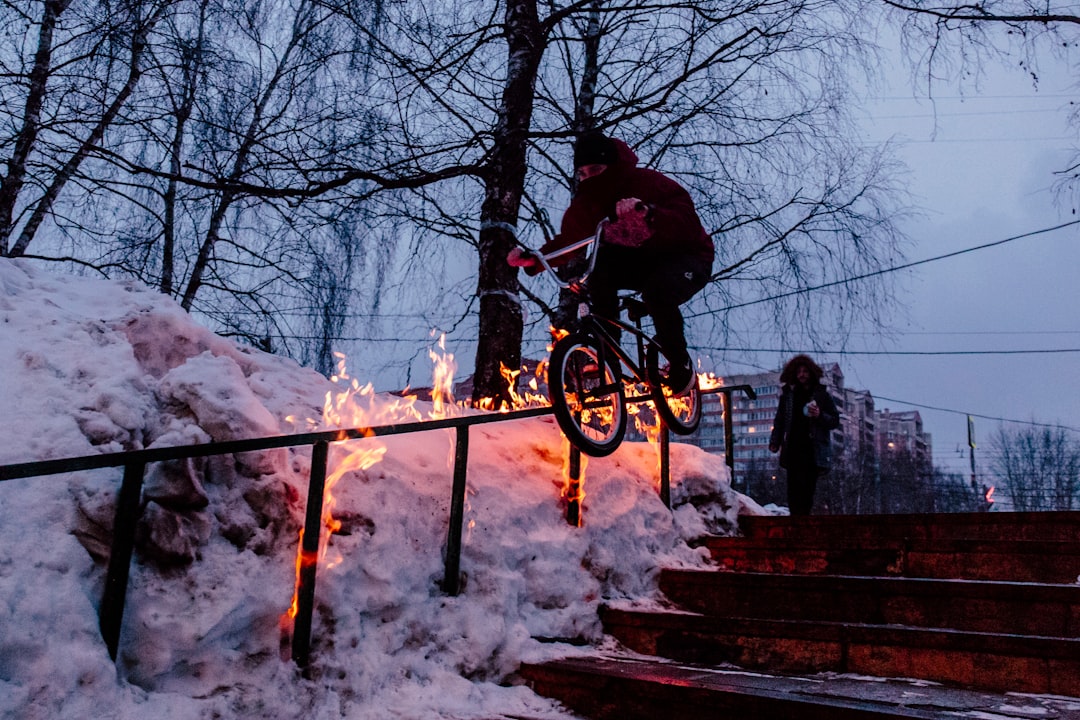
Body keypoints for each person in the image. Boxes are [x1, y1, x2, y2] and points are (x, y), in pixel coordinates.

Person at [507, 131, 714, 394]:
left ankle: (679, 361)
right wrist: (534, 259)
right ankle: (608, 361)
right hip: (640, 262)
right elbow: (571, 241)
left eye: (596, 169)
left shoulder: (648, 183)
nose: (590, 178)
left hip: (688, 257)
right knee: (599, 272)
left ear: (612, 167)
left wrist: (648, 212)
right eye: (583, 174)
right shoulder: (587, 204)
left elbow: (685, 220)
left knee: (658, 292)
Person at [768, 354, 841, 516]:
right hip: (793, 447)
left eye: (805, 371)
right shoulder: (788, 396)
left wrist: (819, 415)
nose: (802, 375)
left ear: (811, 373)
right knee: (793, 487)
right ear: (793, 374)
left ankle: (804, 519)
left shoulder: (821, 395)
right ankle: (796, 518)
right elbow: (779, 420)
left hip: (813, 449)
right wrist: (775, 441)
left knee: (808, 487)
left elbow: (834, 420)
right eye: (799, 372)